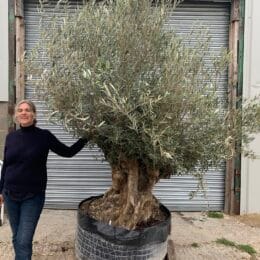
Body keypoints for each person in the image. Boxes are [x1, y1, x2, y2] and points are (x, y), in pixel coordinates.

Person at [0, 99, 88, 260]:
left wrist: (87, 137)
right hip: (10, 194)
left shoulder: (44, 136)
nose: (24, 112)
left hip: (32, 196)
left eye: (27, 110)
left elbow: (68, 152)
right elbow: (6, 165)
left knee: (23, 239)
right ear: (16, 115)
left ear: (34, 114)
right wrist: (0, 191)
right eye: (20, 110)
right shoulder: (11, 137)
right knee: (16, 236)